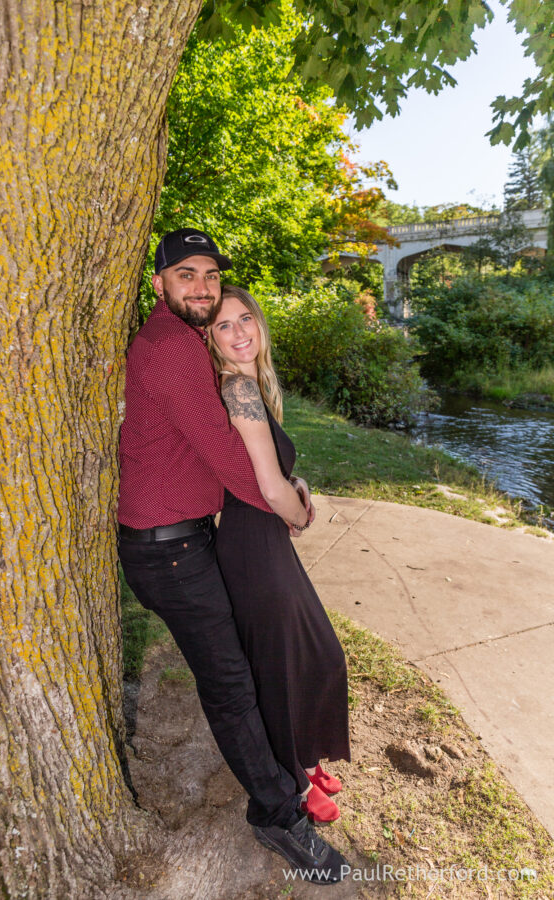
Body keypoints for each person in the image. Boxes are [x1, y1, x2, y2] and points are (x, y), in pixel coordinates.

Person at [117, 227, 347, 884]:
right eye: (186, 274)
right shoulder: (169, 347)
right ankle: (278, 816)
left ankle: (289, 772)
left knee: (245, 668)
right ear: (159, 283)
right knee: (229, 685)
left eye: (211, 275)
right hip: (167, 552)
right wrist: (290, 506)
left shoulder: (185, 343)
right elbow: (228, 454)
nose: (203, 286)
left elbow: (213, 450)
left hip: (188, 539)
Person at [208, 285, 351, 825]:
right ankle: (293, 775)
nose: (240, 331)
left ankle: (305, 757)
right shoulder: (236, 389)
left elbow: (267, 471)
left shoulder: (248, 386)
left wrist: (298, 484)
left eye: (246, 318)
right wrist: (298, 512)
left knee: (315, 652)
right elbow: (268, 490)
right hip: (253, 545)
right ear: (210, 337)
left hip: (259, 539)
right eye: (224, 325)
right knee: (284, 664)